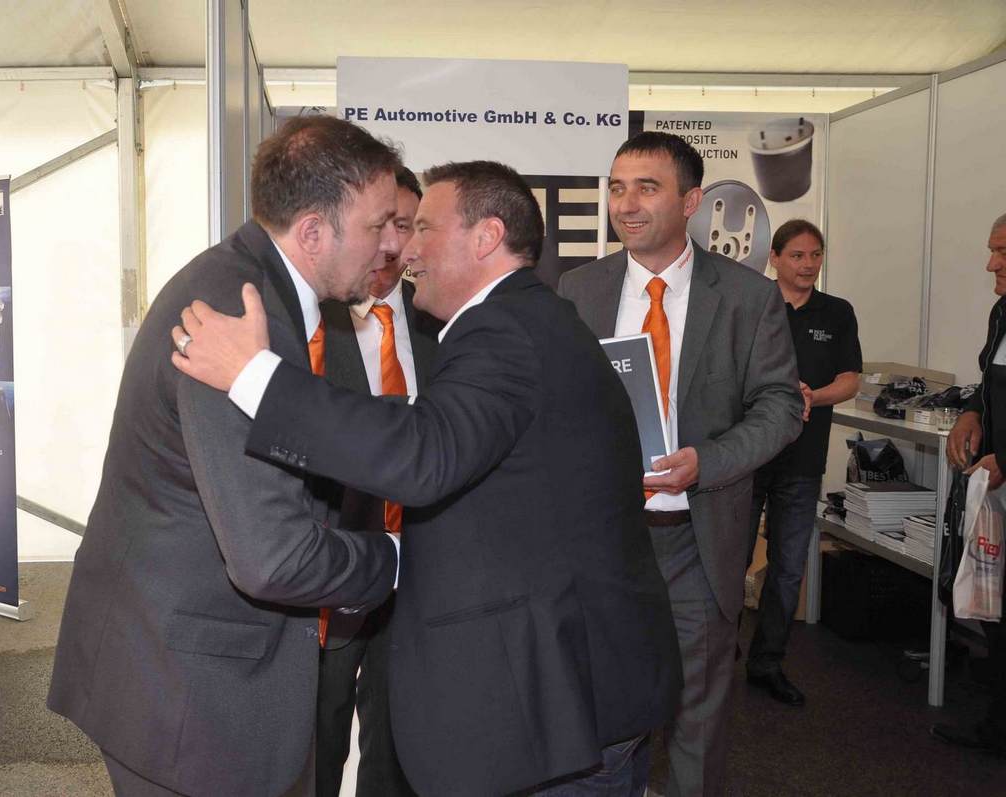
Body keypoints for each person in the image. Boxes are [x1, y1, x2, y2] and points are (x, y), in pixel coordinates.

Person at [172, 160, 682, 797]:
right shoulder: (532, 321)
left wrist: (253, 376)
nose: (405, 250)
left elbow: (424, 455)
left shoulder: (503, 330)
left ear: (487, 237)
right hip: (578, 694)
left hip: (559, 715)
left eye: (424, 229)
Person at [46, 115, 404, 797]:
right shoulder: (236, 316)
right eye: (379, 224)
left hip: (178, 664)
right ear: (313, 232)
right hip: (188, 699)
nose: (393, 244)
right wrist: (393, 560)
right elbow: (273, 556)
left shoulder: (262, 289)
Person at [557, 131, 803, 797]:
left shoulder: (748, 297)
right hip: (606, 541)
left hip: (698, 537)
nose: (626, 204)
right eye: (616, 188)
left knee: (697, 717)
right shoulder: (579, 289)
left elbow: (781, 406)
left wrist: (708, 461)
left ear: (691, 201)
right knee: (602, 714)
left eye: (647, 188)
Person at [314, 165, 438, 797]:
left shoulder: (441, 324)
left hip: (419, 577)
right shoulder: (312, 322)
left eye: (407, 226)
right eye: (383, 224)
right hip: (331, 574)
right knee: (317, 744)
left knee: (398, 753)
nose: (392, 243)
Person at [744, 220, 861, 706]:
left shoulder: (837, 312)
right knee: (730, 561)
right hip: (748, 456)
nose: (808, 264)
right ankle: (716, 658)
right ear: (774, 258)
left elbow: (851, 379)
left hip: (804, 460)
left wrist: (815, 395)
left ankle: (767, 663)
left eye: (816, 255)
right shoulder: (752, 304)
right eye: (797, 255)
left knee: (789, 567)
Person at [932, 211, 1006, 755]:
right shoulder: (1002, 311)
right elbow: (989, 381)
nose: (990, 264)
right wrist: (971, 413)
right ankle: (996, 729)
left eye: (1003, 253)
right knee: (995, 607)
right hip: (995, 488)